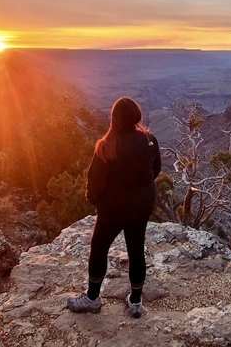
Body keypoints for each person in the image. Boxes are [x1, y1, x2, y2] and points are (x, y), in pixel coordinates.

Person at [67, 97, 161, 318]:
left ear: (114, 118)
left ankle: (92, 298)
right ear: (136, 115)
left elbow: (95, 182)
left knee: (99, 249)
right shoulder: (149, 139)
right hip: (142, 206)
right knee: (136, 250)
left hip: (113, 210)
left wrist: (94, 200)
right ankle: (136, 302)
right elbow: (155, 170)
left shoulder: (107, 146)